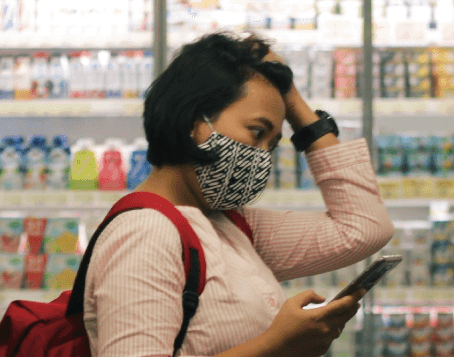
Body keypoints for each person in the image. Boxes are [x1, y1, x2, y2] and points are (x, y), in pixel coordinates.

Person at [82, 32, 395, 357]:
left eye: (271, 146)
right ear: (193, 120)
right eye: (256, 133)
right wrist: (277, 344)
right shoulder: (146, 233)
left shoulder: (230, 225)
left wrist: (295, 104)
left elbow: (365, 227)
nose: (262, 157)